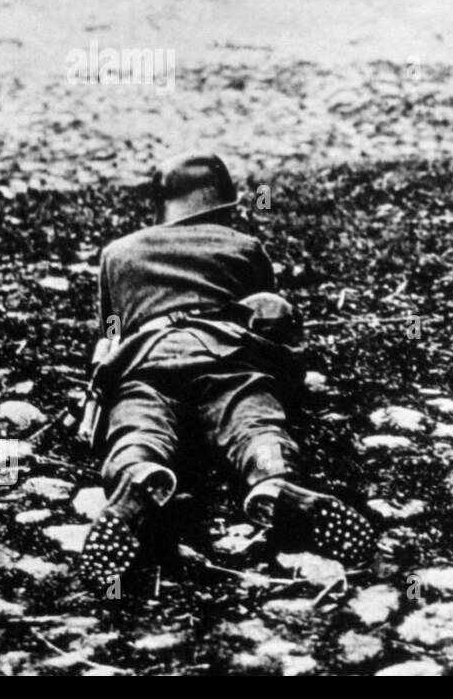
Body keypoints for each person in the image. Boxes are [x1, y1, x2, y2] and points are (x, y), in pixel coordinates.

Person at [78, 151, 374, 583]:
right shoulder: (244, 247)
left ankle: (138, 474)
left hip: (149, 356)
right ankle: (273, 478)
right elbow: (265, 315)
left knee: (137, 424)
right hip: (228, 352)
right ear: (219, 206)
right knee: (252, 421)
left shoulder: (118, 254)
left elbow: (111, 333)